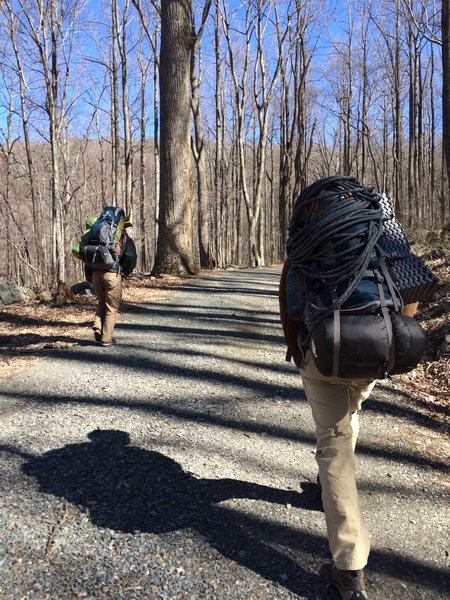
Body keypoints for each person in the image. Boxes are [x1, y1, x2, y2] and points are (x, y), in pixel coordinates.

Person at [279, 243, 419, 599]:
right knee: (349, 416)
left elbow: (289, 295)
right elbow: (410, 291)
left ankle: (349, 566)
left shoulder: (310, 236)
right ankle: (329, 484)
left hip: (324, 355)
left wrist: (295, 347)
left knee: (334, 442)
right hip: (376, 351)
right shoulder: (379, 234)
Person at [89, 220, 137, 347]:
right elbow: (131, 257)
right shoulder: (123, 237)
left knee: (101, 302)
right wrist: (125, 271)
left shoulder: (97, 235)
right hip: (113, 274)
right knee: (111, 307)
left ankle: (98, 327)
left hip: (96, 273)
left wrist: (89, 275)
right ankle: (106, 339)